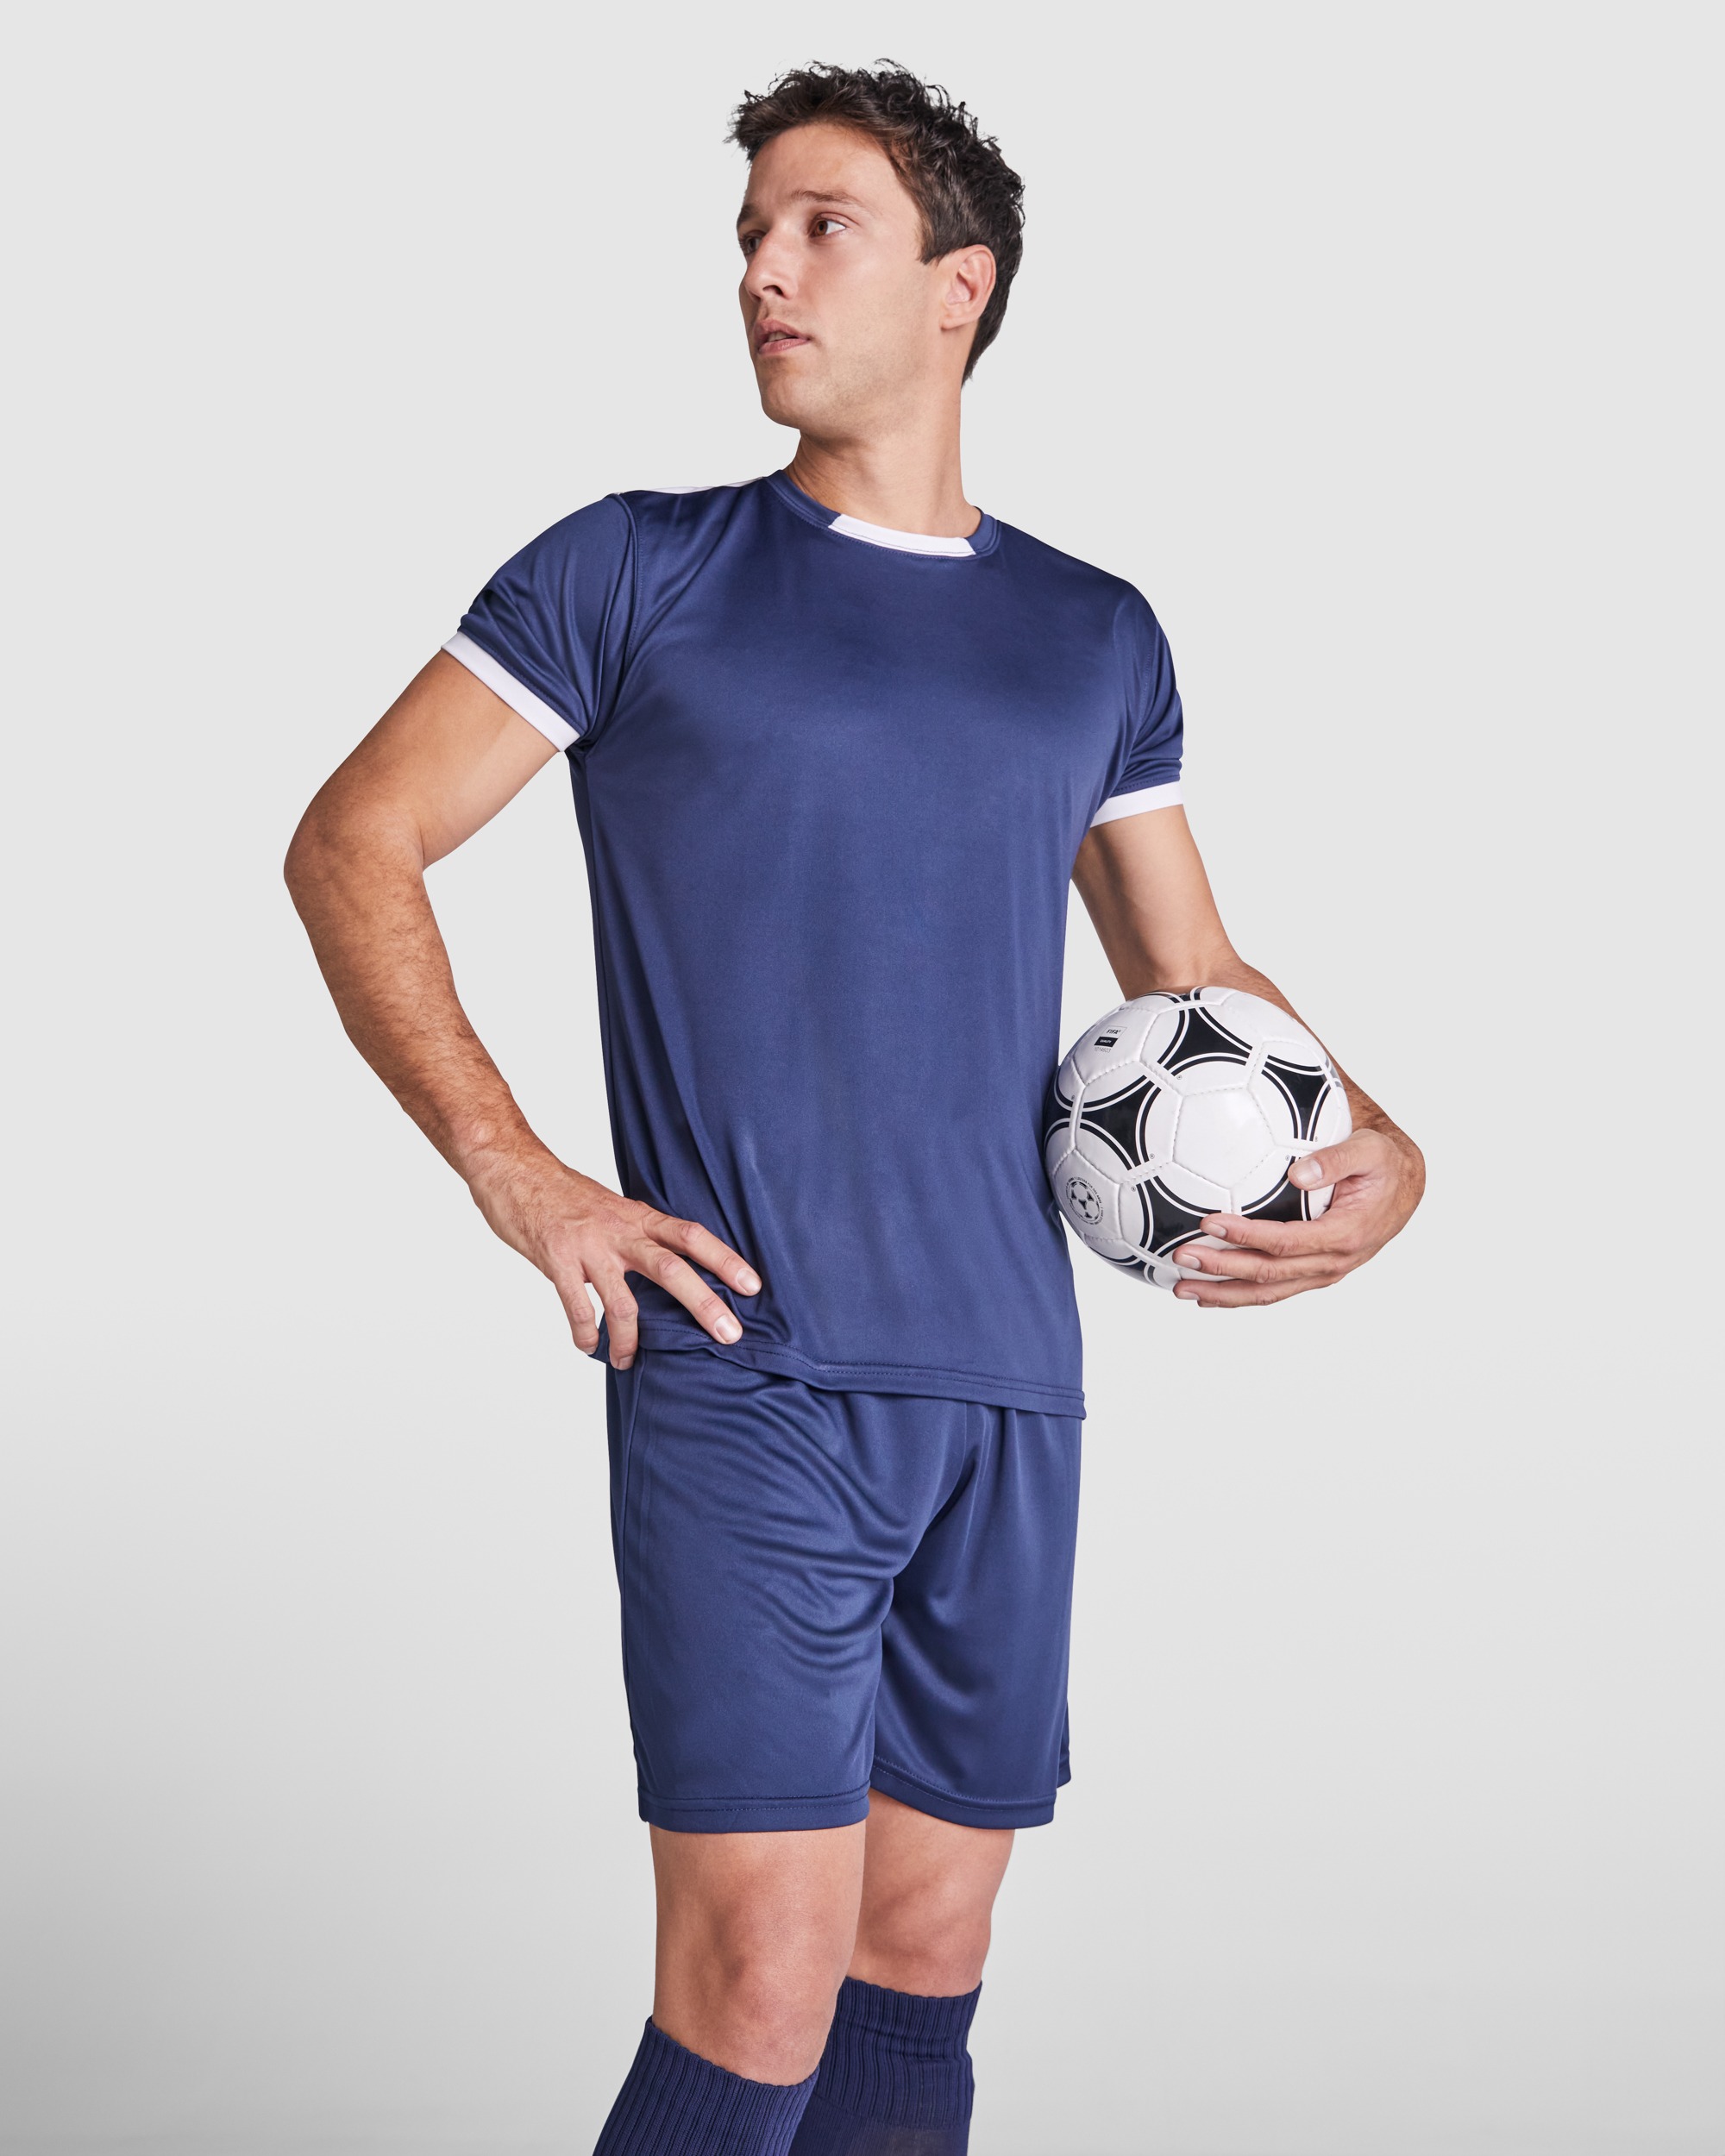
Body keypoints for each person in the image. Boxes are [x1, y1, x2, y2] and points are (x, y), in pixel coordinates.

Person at [285, 62, 1424, 2156]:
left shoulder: (1092, 633)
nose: (763, 271)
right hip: (752, 1366)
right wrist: (519, 1173)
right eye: (750, 234)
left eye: (822, 228)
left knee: (918, 1957)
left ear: (957, 287)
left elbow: (1191, 973)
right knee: (755, 1977)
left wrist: (1386, 1145)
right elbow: (354, 839)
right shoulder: (635, 570)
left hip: (1007, 1378)